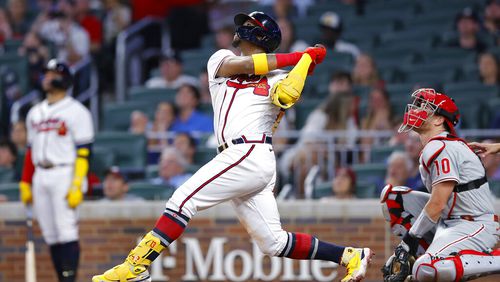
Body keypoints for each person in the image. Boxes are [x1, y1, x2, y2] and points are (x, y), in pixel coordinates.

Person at [93, 11, 372, 282]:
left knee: (181, 201)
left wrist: (304, 63)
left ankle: (136, 266)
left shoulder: (277, 78)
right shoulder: (221, 59)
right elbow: (249, 66)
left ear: (262, 37)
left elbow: (287, 96)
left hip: (251, 151)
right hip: (237, 156)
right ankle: (349, 256)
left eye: (251, 25)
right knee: (273, 242)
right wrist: (302, 56)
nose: (242, 28)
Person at [380, 88, 499, 281]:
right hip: (450, 220)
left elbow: (437, 204)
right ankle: (423, 256)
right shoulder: (440, 144)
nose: (417, 110)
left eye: (425, 108)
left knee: (426, 269)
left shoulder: (440, 146)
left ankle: (490, 260)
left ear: (439, 120)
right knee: (393, 199)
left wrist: (407, 243)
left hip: (475, 224)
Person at [19, 59, 94, 282]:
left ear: (64, 78)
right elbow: (30, 151)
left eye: (52, 74)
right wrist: (25, 182)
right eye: (46, 74)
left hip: (65, 172)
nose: (47, 78)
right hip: (41, 174)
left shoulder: (77, 111)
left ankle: (69, 279)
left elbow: (84, 151)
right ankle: (61, 278)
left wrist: (77, 184)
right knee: (51, 235)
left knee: (66, 231)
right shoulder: (35, 112)